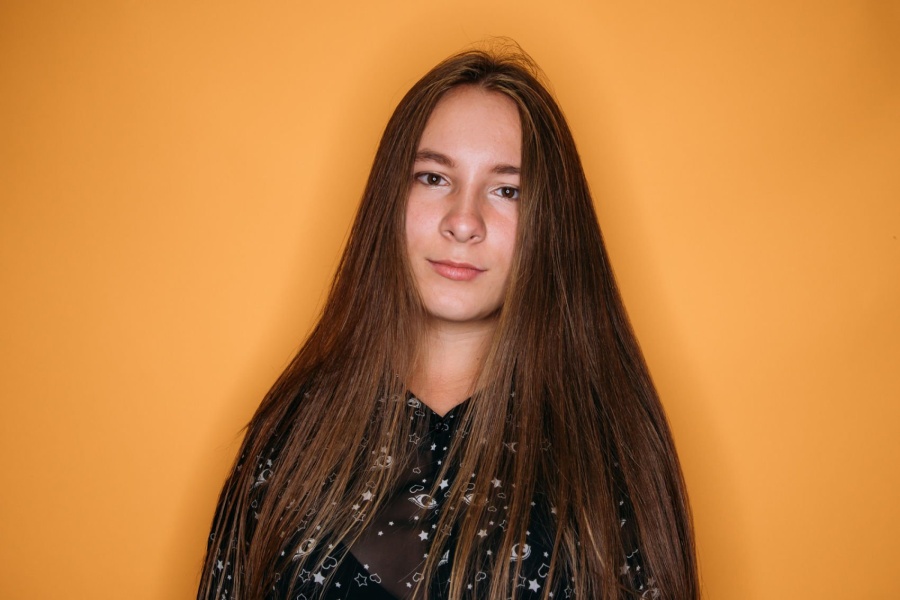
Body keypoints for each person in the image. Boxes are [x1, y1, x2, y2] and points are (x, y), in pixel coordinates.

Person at [198, 43, 698, 600]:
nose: (463, 222)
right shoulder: (294, 437)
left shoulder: (614, 453)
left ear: (551, 222)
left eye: (507, 190)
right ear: (390, 197)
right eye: (434, 178)